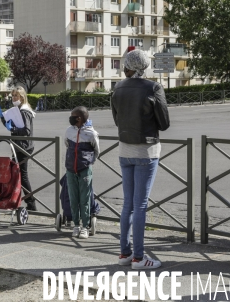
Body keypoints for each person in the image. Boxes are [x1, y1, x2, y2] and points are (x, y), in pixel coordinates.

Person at [111, 49, 170, 270]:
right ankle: (138, 257)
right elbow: (164, 123)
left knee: (128, 205)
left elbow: (117, 120)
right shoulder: (153, 87)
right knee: (141, 205)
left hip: (124, 149)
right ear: (145, 66)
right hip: (146, 151)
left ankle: (124, 254)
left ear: (128, 65)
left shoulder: (118, 87)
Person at [0, 86, 37, 211]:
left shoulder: (24, 111)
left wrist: (12, 129)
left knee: (21, 175)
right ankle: (16, 200)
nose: (14, 98)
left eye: (16, 96)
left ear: (22, 97)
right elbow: (10, 124)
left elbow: (26, 131)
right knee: (16, 174)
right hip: (18, 145)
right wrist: (2, 117)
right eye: (13, 95)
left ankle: (31, 203)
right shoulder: (16, 110)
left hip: (24, 146)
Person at [64, 106, 99, 239]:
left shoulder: (91, 133)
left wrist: (87, 163)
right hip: (70, 169)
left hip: (85, 169)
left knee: (85, 198)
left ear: (79, 118)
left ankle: (85, 226)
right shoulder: (69, 131)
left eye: (72, 116)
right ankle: (76, 225)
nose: (70, 118)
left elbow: (96, 151)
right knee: (73, 198)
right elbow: (67, 144)